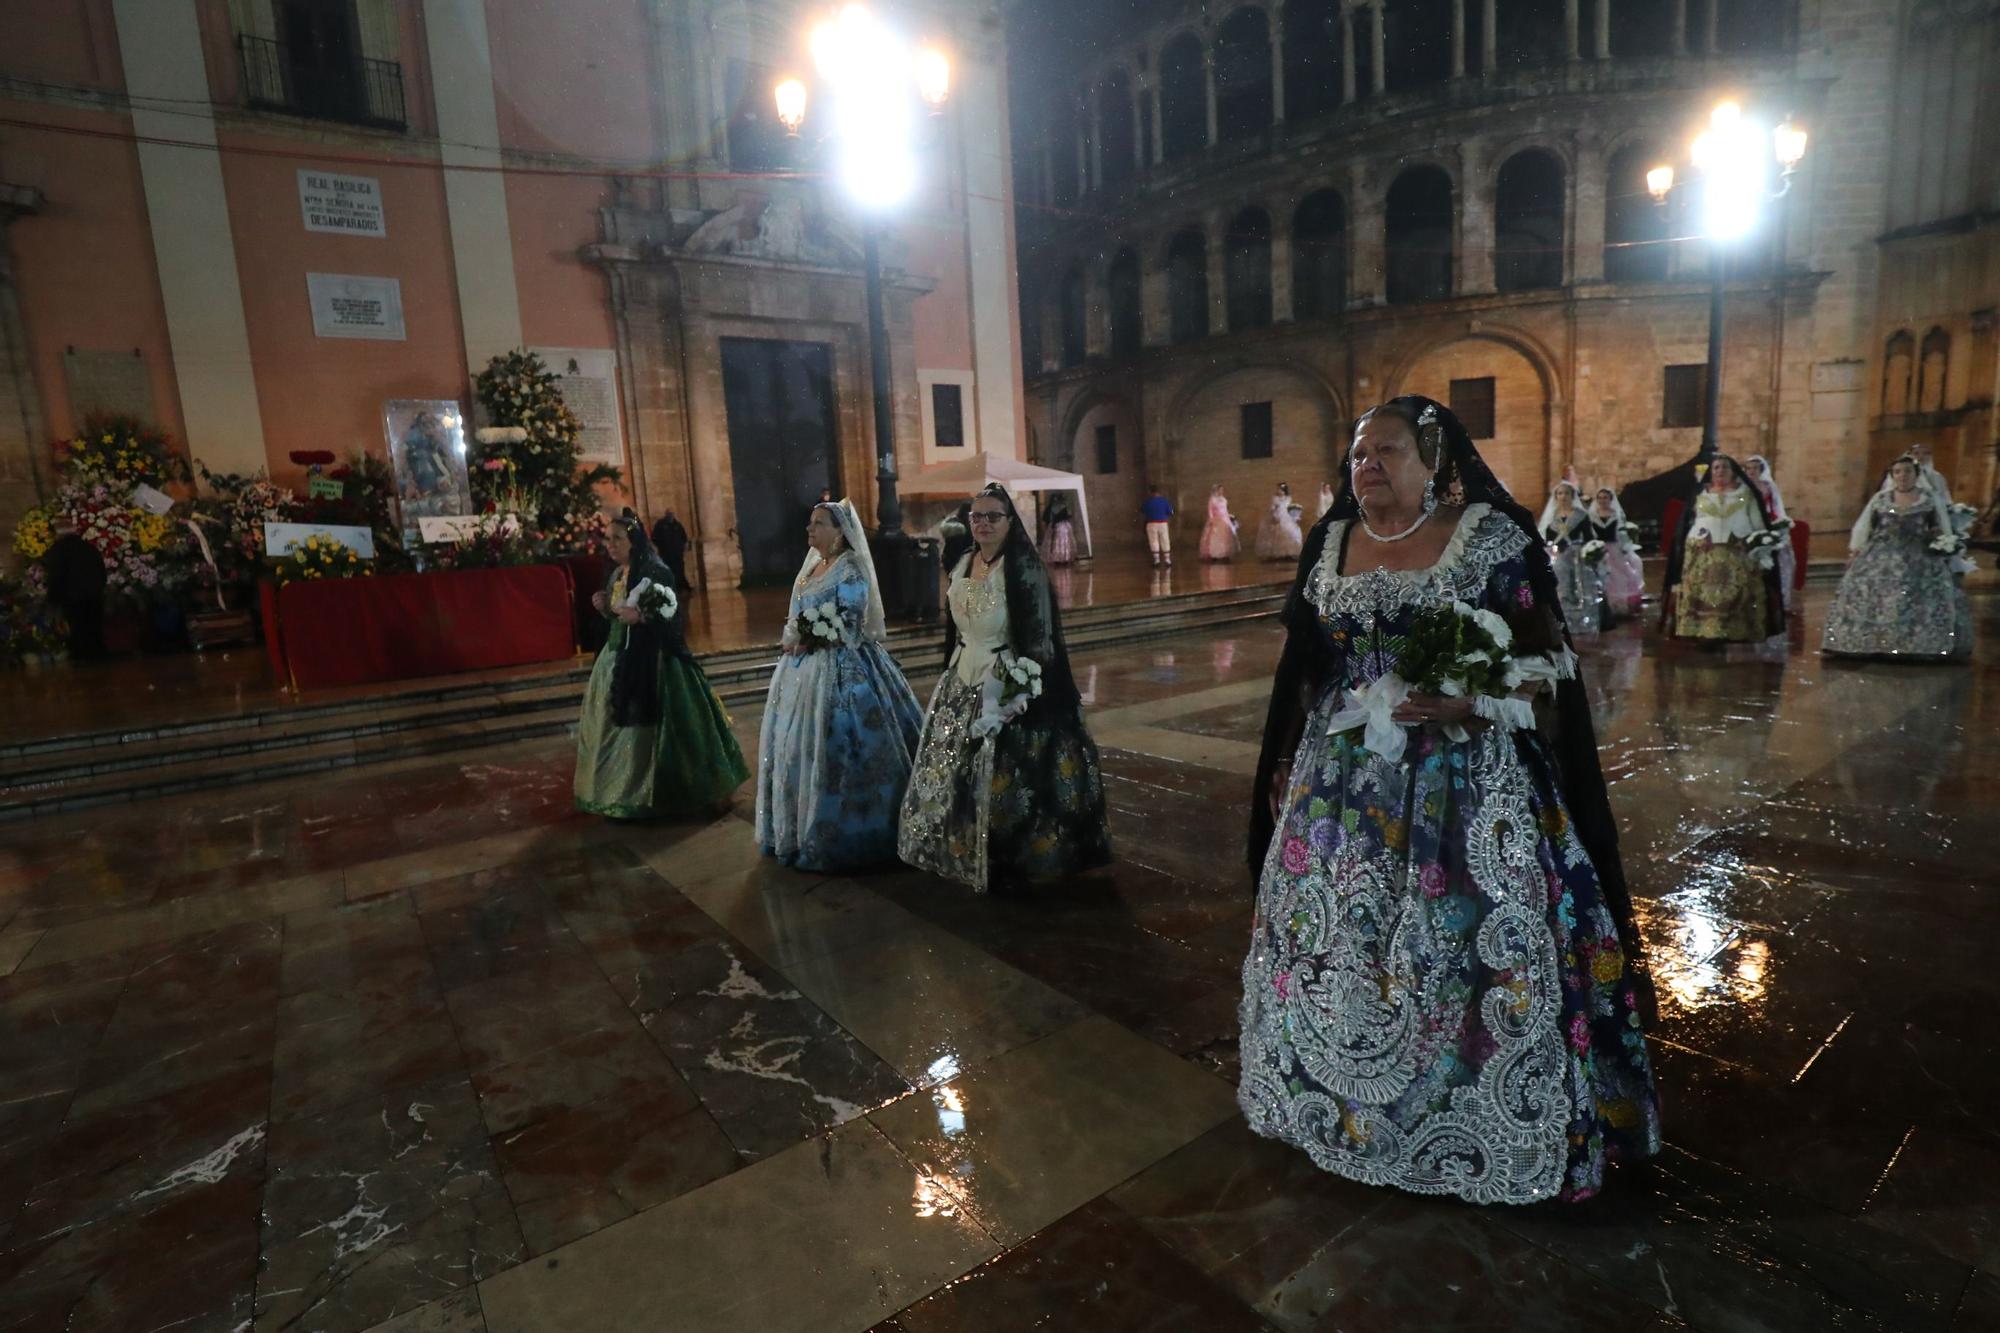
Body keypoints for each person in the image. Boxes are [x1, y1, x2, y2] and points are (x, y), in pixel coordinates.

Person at [1241, 395, 1660, 1206]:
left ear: (1434, 462)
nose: (1367, 465)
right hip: (1341, 789)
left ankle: (1469, 1106)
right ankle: (1340, 1104)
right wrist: (1286, 753)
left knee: (1460, 944)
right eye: (1359, 453)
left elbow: (1549, 664)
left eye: (1387, 451)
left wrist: (1474, 700)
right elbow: (1311, 668)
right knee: (1341, 941)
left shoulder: (1489, 541)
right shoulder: (1329, 544)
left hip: (1465, 782)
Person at [898, 483, 1112, 892]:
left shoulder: (1023, 568)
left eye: (992, 516)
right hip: (961, 678)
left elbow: (1040, 639)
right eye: (976, 516)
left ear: (1010, 522)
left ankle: (1008, 855)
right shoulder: (962, 563)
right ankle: (962, 846)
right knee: (953, 770)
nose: (982, 523)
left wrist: (1018, 693)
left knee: (1009, 777)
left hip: (1006, 682)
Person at [757, 499, 925, 870]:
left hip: (844, 666)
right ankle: (798, 827)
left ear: (839, 531)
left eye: (819, 523)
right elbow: (799, 616)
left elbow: (850, 623)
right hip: (802, 669)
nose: (810, 530)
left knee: (841, 742)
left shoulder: (850, 569)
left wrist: (812, 636)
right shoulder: (814, 568)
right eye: (810, 523)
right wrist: (795, 636)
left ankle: (851, 832)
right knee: (795, 747)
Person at [575, 514, 749, 818]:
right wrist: (606, 609)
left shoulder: (656, 571)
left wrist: (641, 618)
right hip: (616, 659)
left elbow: (672, 617)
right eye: (608, 538)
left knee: (651, 730)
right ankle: (618, 793)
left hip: (651, 661)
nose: (610, 544)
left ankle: (653, 796)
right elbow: (618, 617)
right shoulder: (618, 573)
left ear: (634, 541)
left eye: (617, 538)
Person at [1822, 455, 1973, 661]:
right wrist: (1856, 551)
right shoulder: (1880, 499)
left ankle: (1914, 645)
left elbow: (1942, 527)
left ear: (1916, 474)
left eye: (1908, 471)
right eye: (1898, 472)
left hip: (1919, 555)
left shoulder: (1929, 498)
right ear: (1892, 475)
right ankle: (1872, 642)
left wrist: (1944, 546)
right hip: (1879, 555)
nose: (1902, 476)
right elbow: (1865, 526)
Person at [1660, 454, 1784, 644]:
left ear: (1734, 472)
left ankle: (1734, 630)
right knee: (1702, 592)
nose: (1720, 471)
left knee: (1734, 591)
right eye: (1716, 467)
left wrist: (1760, 543)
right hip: (1702, 550)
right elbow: (1691, 520)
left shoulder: (1746, 494)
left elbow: (1758, 522)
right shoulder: (1701, 493)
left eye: (1725, 467)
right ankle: (1701, 630)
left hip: (1737, 550)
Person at [1540, 480, 1602, 634]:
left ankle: (1583, 622)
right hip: (1559, 558)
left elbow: (1588, 537)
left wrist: (1588, 551)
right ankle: (1563, 621)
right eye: (1560, 493)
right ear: (1555, 496)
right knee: (1562, 587)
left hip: (1577, 556)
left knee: (1580, 587)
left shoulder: (1581, 515)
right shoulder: (1552, 517)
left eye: (1566, 493)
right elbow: (1547, 538)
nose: (1563, 496)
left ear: (1572, 496)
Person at [41, 520, 108, 660]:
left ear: (57, 534)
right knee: (94, 627)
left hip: (72, 597)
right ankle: (98, 656)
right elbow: (102, 571)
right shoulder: (89, 547)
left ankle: (81, 658)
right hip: (94, 595)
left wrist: (52, 598)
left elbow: (56, 575)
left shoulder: (58, 550)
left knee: (78, 629)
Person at [1742, 455, 1796, 613]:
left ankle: (1780, 602)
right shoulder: (1742, 487)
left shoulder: (1769, 486)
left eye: (1755, 468)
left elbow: (1776, 506)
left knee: (1782, 560)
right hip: (1750, 525)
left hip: (1769, 524)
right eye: (1748, 468)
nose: (1751, 471)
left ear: (1761, 470)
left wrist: (1781, 524)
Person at [1586, 486, 1645, 622]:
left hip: (1614, 549)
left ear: (1610, 499)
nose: (1602, 500)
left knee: (1618, 576)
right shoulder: (1592, 515)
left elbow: (1621, 534)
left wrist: (1625, 549)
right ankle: (1603, 607)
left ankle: (1619, 607)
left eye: (1605, 498)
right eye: (1600, 498)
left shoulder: (1616, 514)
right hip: (1599, 549)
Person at [1255, 482, 1304, 560]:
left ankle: (1288, 553)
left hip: (1286, 516)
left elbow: (1288, 508)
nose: (1279, 491)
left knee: (1291, 531)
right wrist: (1274, 515)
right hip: (1276, 515)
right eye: (1278, 490)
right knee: (1276, 532)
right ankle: (1277, 554)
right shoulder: (1274, 498)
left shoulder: (1288, 498)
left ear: (1284, 490)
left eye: (1280, 490)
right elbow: (1272, 508)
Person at [649, 509, 690, 588]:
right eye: (669, 513)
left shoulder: (677, 525)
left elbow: (683, 536)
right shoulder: (660, 525)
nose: (671, 515)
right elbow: (654, 537)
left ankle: (681, 585)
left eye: (672, 514)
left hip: (677, 553)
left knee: (679, 569)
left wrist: (684, 545)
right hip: (666, 553)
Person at [1200, 484, 1239, 562]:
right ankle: (1215, 554)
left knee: (1225, 537)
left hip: (1225, 519)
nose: (1221, 491)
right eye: (1220, 490)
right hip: (1216, 520)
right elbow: (1210, 510)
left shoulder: (1224, 499)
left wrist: (1229, 516)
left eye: (1222, 490)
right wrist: (1211, 519)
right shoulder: (1212, 500)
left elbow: (1225, 509)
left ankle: (1225, 554)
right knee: (1216, 538)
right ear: (1216, 490)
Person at [1142, 486, 1175, 567]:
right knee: (1165, 539)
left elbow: (1143, 510)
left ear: (1150, 492)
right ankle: (1167, 559)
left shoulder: (1147, 502)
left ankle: (1156, 560)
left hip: (1151, 523)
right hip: (1163, 523)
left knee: (1153, 541)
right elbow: (1171, 512)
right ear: (1159, 492)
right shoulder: (1164, 501)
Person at [1041, 497, 1078, 566]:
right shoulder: (1063, 507)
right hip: (1063, 527)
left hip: (1057, 526)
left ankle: (1058, 559)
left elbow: (1046, 519)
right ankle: (1064, 558)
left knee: (1058, 544)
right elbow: (1068, 516)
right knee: (1062, 544)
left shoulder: (1050, 508)